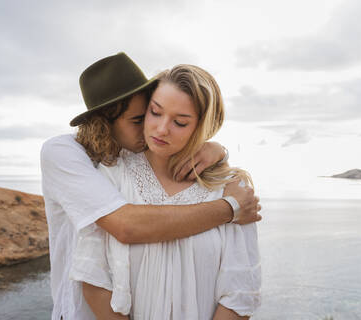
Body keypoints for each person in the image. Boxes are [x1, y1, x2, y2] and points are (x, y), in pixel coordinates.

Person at [40, 53, 261, 320]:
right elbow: (125, 227)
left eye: (179, 122)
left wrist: (216, 150)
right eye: (149, 115)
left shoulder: (229, 182)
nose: (159, 129)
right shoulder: (73, 157)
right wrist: (231, 208)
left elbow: (240, 292)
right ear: (104, 125)